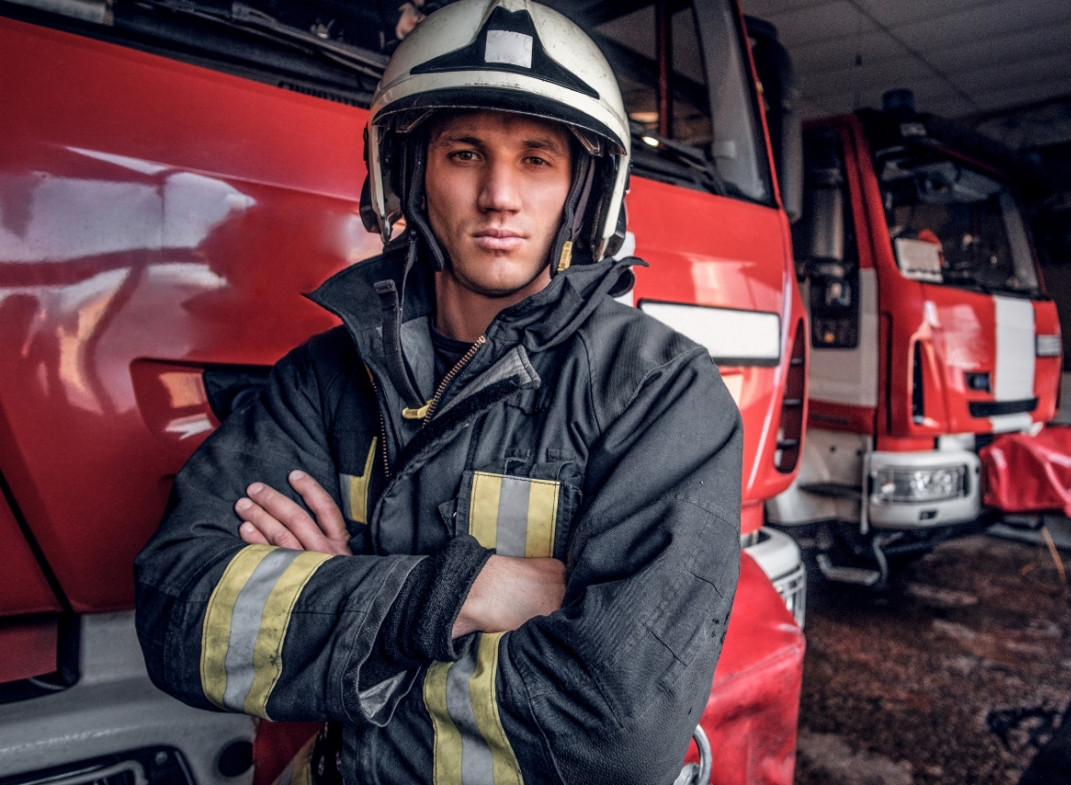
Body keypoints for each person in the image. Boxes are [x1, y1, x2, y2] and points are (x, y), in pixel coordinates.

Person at [133, 1, 743, 783]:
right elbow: (181, 612)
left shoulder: (660, 394)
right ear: (409, 173)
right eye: (464, 153)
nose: (498, 195)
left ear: (585, 193)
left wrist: (340, 612)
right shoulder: (321, 380)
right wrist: (466, 590)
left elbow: (616, 729)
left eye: (536, 159)